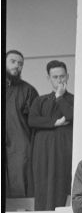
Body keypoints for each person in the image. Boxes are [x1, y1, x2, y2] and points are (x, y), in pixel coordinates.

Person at [28, 60, 74, 210]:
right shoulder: (40, 100)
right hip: (43, 150)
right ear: (48, 78)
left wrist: (60, 97)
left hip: (63, 148)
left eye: (62, 76)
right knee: (42, 182)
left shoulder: (74, 99)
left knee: (62, 182)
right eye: (55, 77)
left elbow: (71, 115)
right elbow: (32, 120)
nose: (59, 80)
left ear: (67, 76)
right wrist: (55, 123)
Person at [5, 49, 38, 198]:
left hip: (19, 145)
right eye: (13, 61)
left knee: (18, 181)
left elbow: (34, 120)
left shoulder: (28, 90)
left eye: (20, 64)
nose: (17, 66)